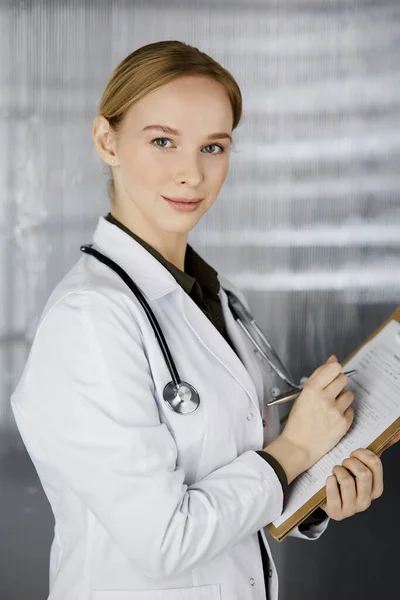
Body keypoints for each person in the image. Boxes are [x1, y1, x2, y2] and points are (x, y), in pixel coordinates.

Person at [10, 40, 398, 600]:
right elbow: (166, 539)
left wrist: (322, 493)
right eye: (163, 141)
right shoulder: (90, 318)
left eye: (213, 147)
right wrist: (298, 451)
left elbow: (245, 475)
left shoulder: (216, 296)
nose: (191, 173)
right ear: (107, 141)